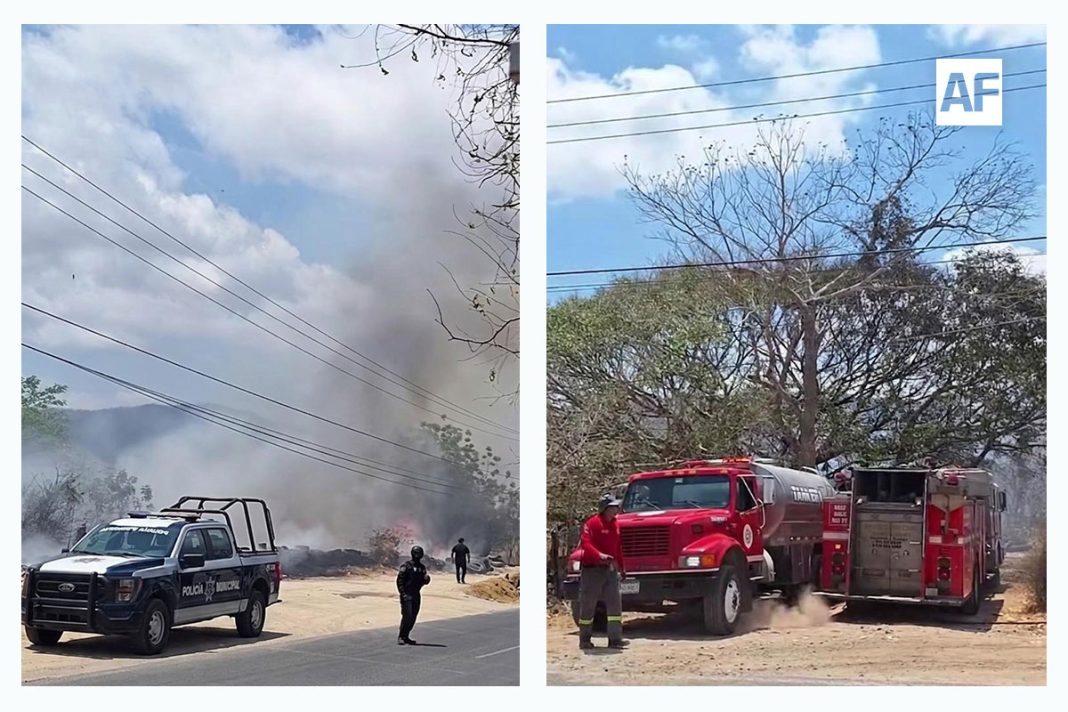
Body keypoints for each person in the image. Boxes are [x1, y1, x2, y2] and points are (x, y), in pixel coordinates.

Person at [576, 493, 627, 650]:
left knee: (614, 605)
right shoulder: (592, 524)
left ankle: (615, 639)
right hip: (592, 570)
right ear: (604, 508)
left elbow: (617, 548)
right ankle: (585, 640)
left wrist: (622, 566)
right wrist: (600, 555)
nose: (616, 510)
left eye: (616, 507)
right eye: (613, 507)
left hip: (610, 570)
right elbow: (586, 544)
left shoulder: (615, 525)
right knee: (588, 605)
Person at [396, 545, 431, 645]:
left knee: (413, 617)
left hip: (416, 594)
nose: (417, 555)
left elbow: (421, 581)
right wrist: (403, 594)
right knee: (407, 616)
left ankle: (406, 636)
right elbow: (400, 581)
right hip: (407, 594)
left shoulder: (422, 568)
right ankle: (401, 636)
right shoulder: (406, 566)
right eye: (416, 553)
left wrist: (426, 581)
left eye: (419, 553)